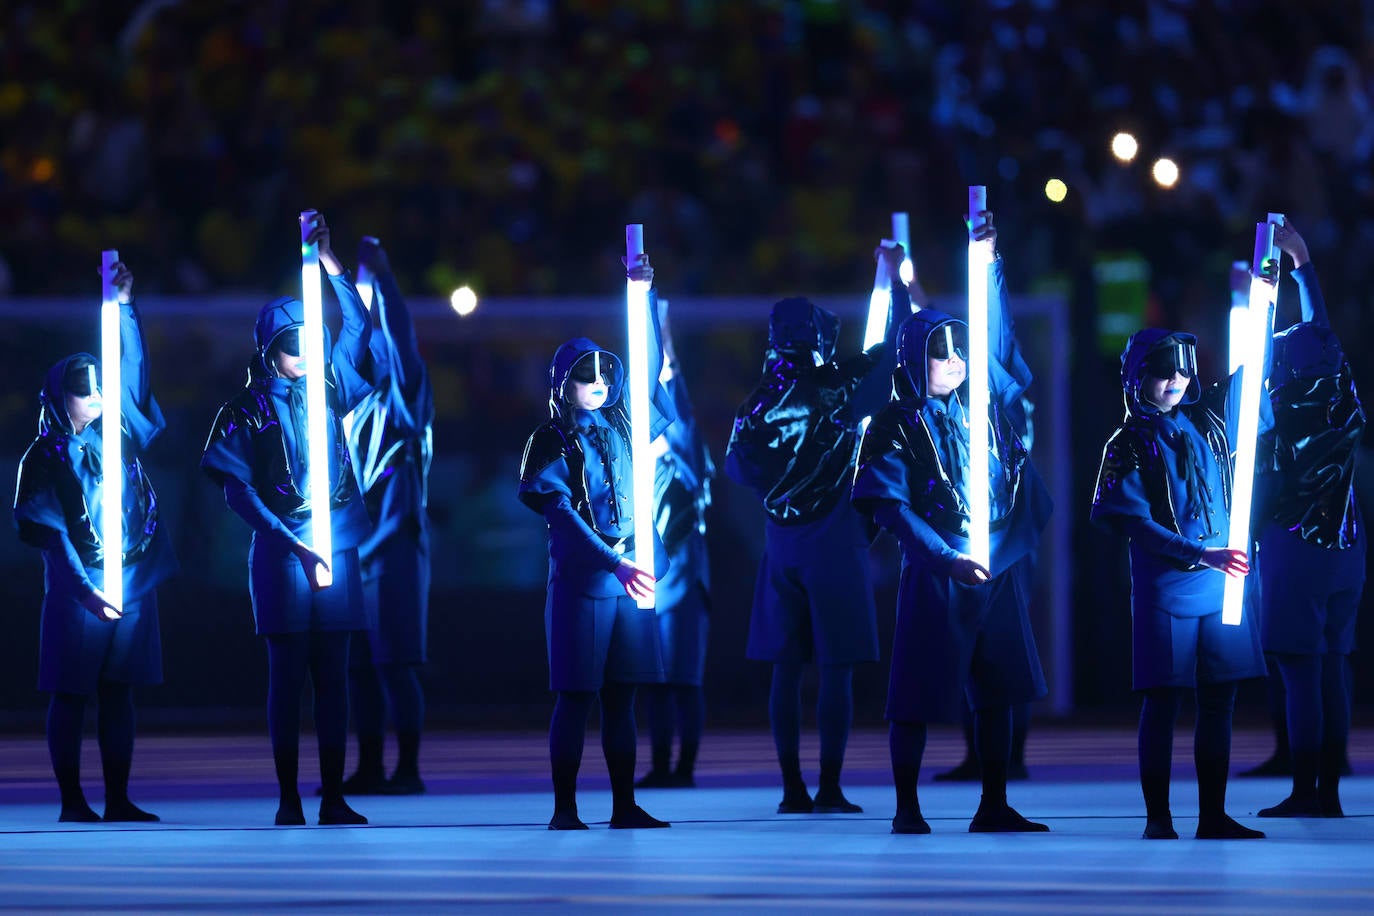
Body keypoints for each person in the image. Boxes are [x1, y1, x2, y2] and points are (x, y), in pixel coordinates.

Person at [852, 213, 1053, 834]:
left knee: (999, 689)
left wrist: (988, 262)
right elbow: (890, 505)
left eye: (959, 352)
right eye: (941, 356)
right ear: (917, 361)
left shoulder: (983, 408)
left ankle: (994, 801)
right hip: (938, 572)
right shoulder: (893, 422)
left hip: (994, 566)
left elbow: (996, 340)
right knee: (913, 693)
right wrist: (944, 558)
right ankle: (907, 809)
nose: (956, 362)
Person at [201, 211, 374, 827]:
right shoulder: (244, 409)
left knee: (335, 677)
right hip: (282, 556)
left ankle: (332, 796)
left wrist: (330, 267)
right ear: (270, 349)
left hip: (338, 546)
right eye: (293, 341)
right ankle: (289, 799)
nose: (308, 349)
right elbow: (235, 491)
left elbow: (360, 329)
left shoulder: (331, 387)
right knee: (286, 679)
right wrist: (290, 543)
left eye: (311, 338)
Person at [725, 242, 905, 815]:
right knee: (837, 668)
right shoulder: (838, 386)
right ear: (821, 337)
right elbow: (896, 350)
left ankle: (791, 789)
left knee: (785, 668)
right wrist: (892, 279)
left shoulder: (755, 403)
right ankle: (830, 785)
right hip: (835, 538)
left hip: (781, 544)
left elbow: (736, 468)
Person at [1091, 298, 1268, 840]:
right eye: (1163, 372)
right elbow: (1133, 521)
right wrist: (1200, 554)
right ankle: (1158, 819)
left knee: (1220, 698)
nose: (1175, 382)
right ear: (1138, 375)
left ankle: (1213, 815)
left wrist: (1272, 287)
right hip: (1168, 587)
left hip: (1222, 581)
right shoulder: (1127, 442)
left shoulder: (1206, 423)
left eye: (1184, 372)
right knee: (1164, 701)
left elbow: (1253, 375)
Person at [518, 251, 676, 830]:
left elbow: (650, 362)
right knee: (577, 698)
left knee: (622, 698)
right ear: (564, 383)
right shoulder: (549, 439)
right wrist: (614, 560)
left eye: (605, 374)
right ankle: (565, 808)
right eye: (588, 376)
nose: (601, 384)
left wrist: (644, 294)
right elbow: (559, 513)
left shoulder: (623, 425)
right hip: (586, 582)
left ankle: (624, 804)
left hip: (627, 576)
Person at [15, 259, 176, 823]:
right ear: (61, 398)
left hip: (129, 579)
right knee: (71, 692)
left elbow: (131, 374)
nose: (98, 394)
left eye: (97, 385)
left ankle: (118, 797)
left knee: (119, 691)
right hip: (78, 590)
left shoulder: (118, 435)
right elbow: (49, 533)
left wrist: (125, 308)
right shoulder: (43, 456)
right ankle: (73, 800)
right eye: (85, 389)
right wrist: (85, 592)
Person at [1254, 222, 1364, 818]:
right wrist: (1301, 267)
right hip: (1348, 543)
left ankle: (1304, 790)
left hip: (1296, 544)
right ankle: (1329, 791)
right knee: (1332, 666)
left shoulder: (1276, 412)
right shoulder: (1342, 397)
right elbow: (1324, 336)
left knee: (1299, 673)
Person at [337, 237, 434, 796]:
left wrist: (386, 282)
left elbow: (401, 341)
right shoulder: (349, 411)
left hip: (394, 552)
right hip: (355, 553)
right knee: (357, 669)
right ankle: (370, 763)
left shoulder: (405, 404)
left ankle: (408, 767)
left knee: (396, 664)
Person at [636, 298, 713, 789]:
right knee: (655, 683)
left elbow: (671, 383)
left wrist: (658, 323)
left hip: (683, 582)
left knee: (682, 681)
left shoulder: (683, 450)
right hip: (650, 581)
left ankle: (682, 767)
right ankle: (661, 763)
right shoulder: (642, 452)